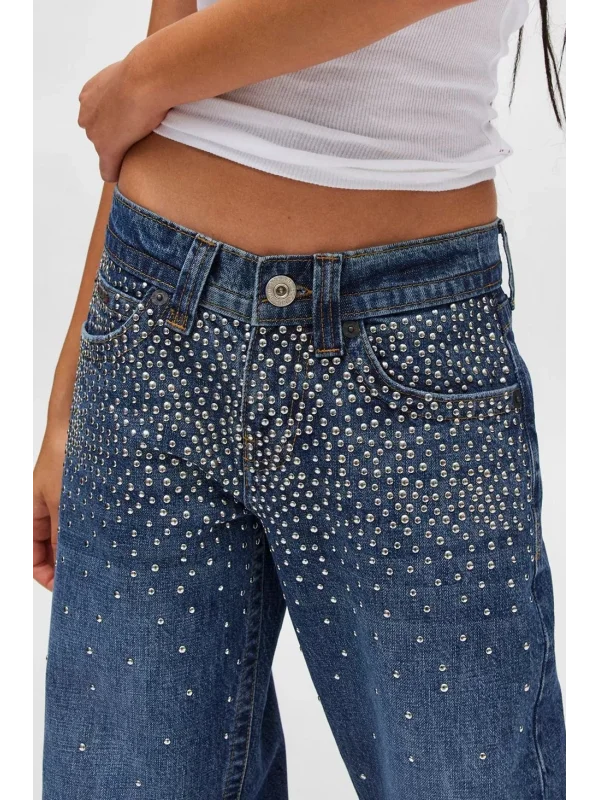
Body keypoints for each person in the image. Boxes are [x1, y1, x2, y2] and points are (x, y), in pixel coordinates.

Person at [34, 1, 567, 798]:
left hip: (405, 356)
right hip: (151, 324)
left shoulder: (148, 79)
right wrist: (69, 396)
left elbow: (158, 74)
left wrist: (144, 78)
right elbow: (174, 38)